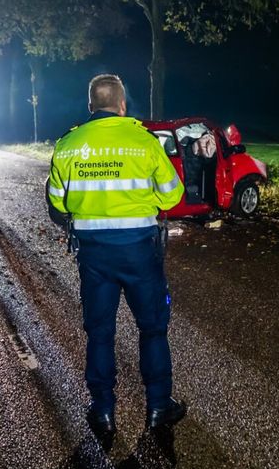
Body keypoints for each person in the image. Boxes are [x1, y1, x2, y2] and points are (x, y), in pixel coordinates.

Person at [47, 74, 187, 447]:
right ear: (122, 105)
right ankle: (159, 407)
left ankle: (104, 410)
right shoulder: (144, 142)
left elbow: (58, 204)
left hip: (94, 255)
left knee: (100, 332)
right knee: (153, 329)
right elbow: (172, 197)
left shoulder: (68, 145)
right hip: (141, 251)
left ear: (91, 106)